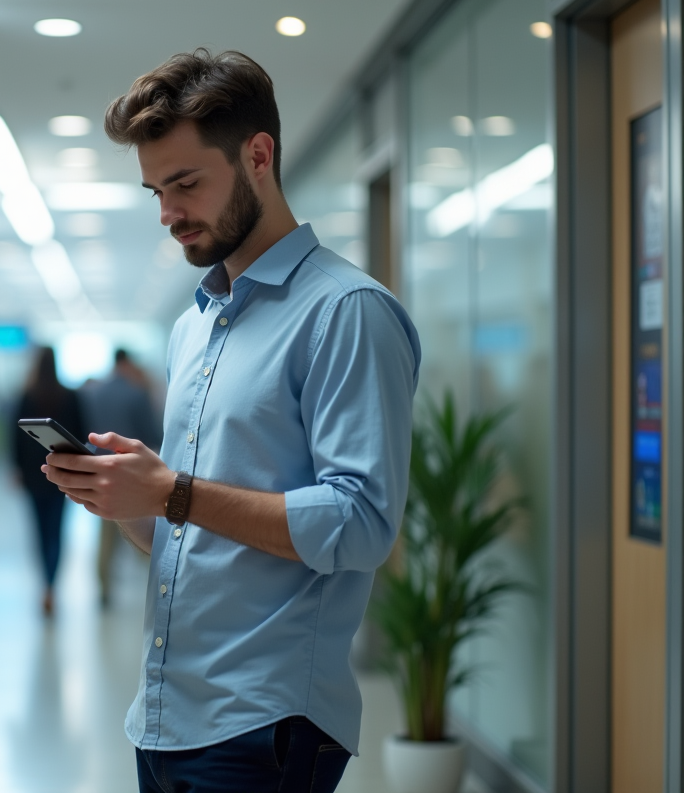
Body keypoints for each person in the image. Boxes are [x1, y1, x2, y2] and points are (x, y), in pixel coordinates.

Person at [42, 50, 421, 793]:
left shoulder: (345, 312)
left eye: (185, 184)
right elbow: (189, 533)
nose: (168, 214)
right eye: (156, 190)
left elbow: (361, 523)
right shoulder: (196, 326)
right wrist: (125, 499)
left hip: (266, 723)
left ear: (257, 156)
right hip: (167, 713)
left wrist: (172, 492)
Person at [79, 349, 162, 608]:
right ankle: (157, 585)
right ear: (126, 363)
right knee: (146, 532)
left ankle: (104, 588)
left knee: (106, 532)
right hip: (134, 473)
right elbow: (152, 434)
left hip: (100, 470)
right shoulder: (137, 393)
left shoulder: (95, 394)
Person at [12, 346, 84, 618]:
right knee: (57, 531)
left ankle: (45, 583)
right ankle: (51, 586)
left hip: (33, 475)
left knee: (40, 532)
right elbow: (82, 433)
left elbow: (15, 436)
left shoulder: (27, 396)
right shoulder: (69, 396)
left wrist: (16, 468)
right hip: (62, 473)